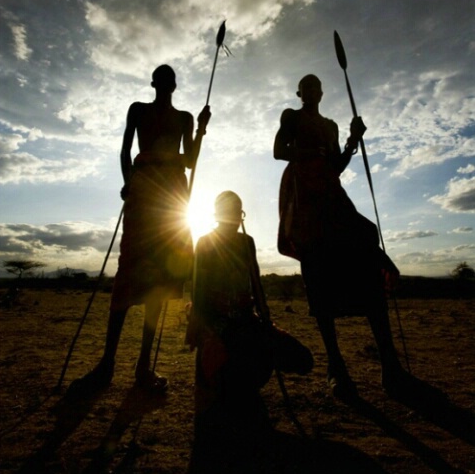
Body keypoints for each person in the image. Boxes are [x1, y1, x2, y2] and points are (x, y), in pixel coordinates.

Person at [73, 64, 210, 394]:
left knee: (161, 279)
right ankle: (107, 363)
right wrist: (128, 182)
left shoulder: (186, 119)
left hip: (172, 197)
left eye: (170, 81)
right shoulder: (137, 110)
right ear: (154, 84)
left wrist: (202, 130)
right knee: (128, 270)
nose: (166, 86)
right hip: (145, 190)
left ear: (175, 86)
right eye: (161, 81)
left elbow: (190, 161)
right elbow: (124, 150)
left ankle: (142, 367)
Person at [273, 73, 408, 399]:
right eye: (306, 87)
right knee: (317, 274)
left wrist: (351, 140)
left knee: (366, 236)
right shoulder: (291, 117)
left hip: (333, 195)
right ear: (299, 92)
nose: (312, 91)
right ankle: (336, 365)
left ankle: (389, 362)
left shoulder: (331, 125)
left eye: (316, 87)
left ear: (322, 92)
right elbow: (279, 151)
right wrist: (310, 153)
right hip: (305, 200)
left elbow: (337, 166)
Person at [186, 191, 313, 441]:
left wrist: (264, 316)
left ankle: (243, 385)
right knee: (229, 367)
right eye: (229, 211)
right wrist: (205, 328)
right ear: (219, 215)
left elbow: (255, 282)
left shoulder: (247, 243)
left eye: (237, 211)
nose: (234, 217)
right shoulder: (204, 242)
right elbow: (197, 290)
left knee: (301, 359)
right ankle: (231, 388)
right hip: (216, 323)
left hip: (246, 319)